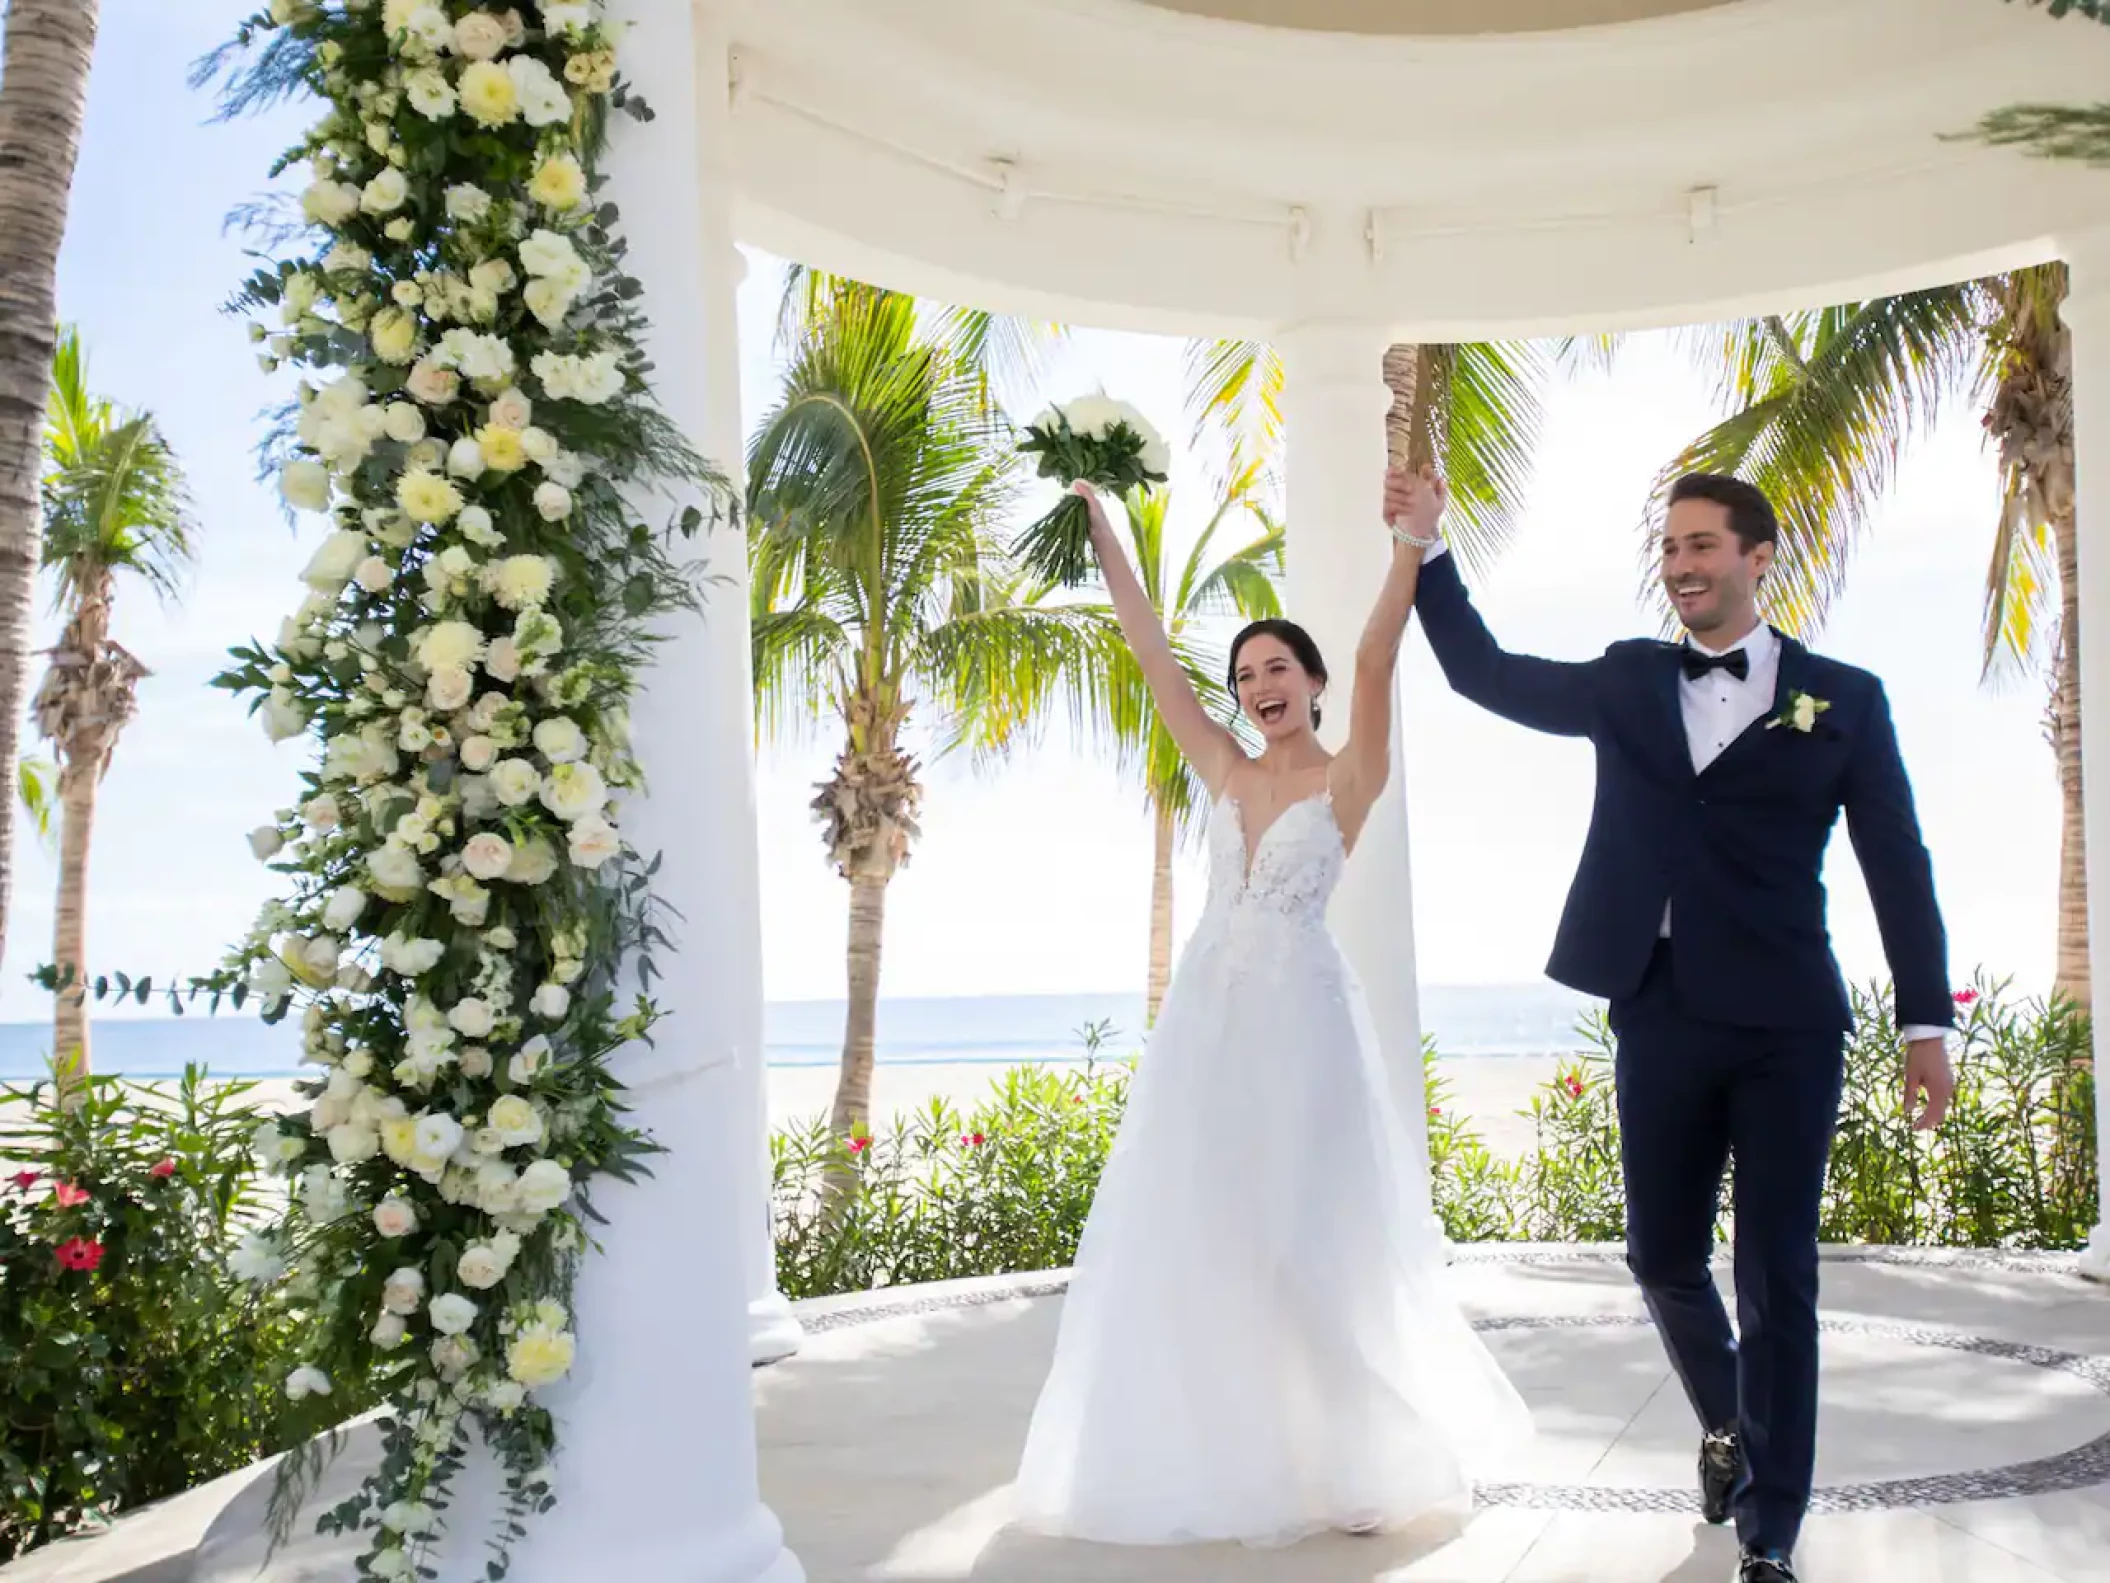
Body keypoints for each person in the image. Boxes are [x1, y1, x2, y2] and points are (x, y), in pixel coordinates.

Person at [1398, 467, 1956, 1583]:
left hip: (1787, 1023)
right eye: (1668, 549)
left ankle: (1771, 1532)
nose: (1682, 567)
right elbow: (1484, 674)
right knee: (1659, 1254)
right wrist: (1427, 550)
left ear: (1757, 556)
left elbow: (1896, 862)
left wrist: (1923, 1021)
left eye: (1700, 545)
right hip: (1656, 1008)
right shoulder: (1627, 681)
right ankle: (1727, 1420)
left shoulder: (1843, 697)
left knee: (1776, 1269)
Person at [1011, 473, 1531, 1548]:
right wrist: (1100, 525)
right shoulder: (1221, 769)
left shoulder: (1347, 777)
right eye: (1245, 673)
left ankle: (1361, 1450)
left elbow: (1383, 653)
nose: (1258, 686)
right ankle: (1232, 1454)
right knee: (1210, 1238)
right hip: (1207, 1029)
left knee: (1303, 1244)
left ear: (1312, 680)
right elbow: (1152, 652)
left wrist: (1409, 541)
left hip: (1300, 1028)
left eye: (1278, 667)